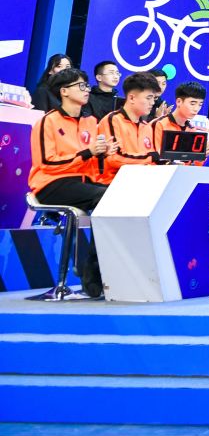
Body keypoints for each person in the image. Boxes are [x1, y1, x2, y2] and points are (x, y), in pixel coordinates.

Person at [28, 67, 113, 297]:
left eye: (87, 85)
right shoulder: (47, 121)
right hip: (51, 184)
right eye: (81, 86)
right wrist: (87, 153)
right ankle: (91, 273)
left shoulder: (91, 122)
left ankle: (99, 272)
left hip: (82, 184)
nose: (86, 90)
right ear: (64, 91)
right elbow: (47, 162)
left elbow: (92, 162)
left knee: (117, 197)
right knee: (105, 196)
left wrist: (104, 154)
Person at [97, 71, 163, 183]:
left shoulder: (146, 126)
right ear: (131, 98)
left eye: (154, 98)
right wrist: (151, 157)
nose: (152, 103)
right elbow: (115, 159)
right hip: (114, 182)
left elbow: (151, 161)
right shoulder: (113, 120)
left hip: (142, 181)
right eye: (148, 98)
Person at [159, 82, 209, 165]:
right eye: (192, 104)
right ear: (179, 101)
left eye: (200, 105)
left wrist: (200, 156)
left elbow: (193, 166)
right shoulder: (159, 125)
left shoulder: (192, 131)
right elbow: (154, 160)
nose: (196, 109)